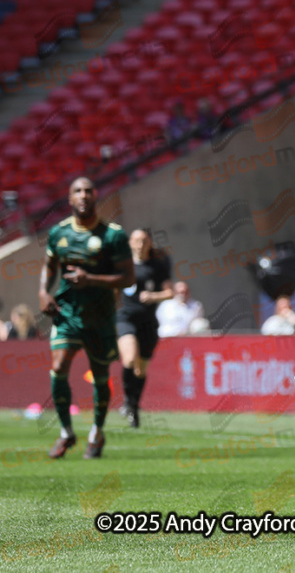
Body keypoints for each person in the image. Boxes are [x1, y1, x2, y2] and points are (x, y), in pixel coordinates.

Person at [40, 177, 134, 460]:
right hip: (67, 313)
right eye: (77, 191)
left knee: (101, 376)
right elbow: (49, 266)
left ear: (96, 197)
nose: (83, 195)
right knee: (58, 366)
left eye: (88, 191)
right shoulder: (58, 233)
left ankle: (97, 431)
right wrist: (43, 292)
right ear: (69, 199)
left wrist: (90, 278)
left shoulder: (113, 236)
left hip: (101, 317)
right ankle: (67, 432)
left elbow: (127, 277)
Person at [116, 229, 172, 429]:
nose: (140, 245)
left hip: (148, 321)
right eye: (136, 241)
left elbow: (170, 292)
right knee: (130, 359)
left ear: (149, 244)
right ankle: (127, 400)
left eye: (144, 241)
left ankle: (134, 406)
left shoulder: (157, 266)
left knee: (141, 369)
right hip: (125, 318)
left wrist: (153, 296)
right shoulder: (122, 264)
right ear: (130, 243)